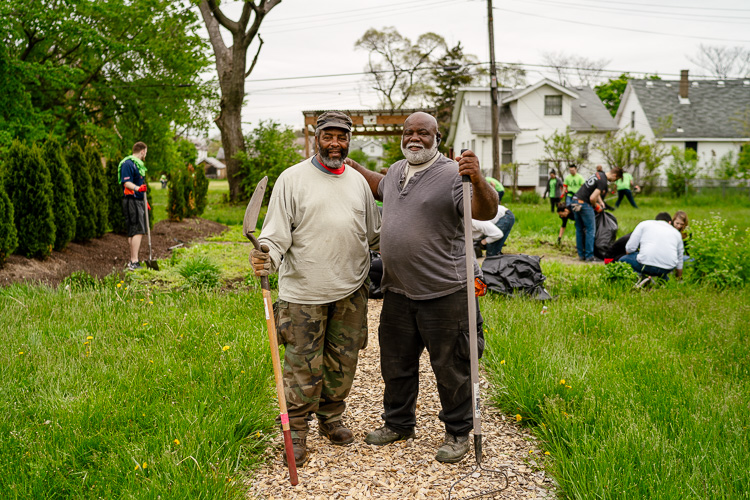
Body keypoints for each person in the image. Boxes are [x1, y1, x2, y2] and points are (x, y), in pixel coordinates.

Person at [346, 112, 498, 464]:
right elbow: (376, 183)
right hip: (397, 290)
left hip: (446, 292)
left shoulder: (453, 174)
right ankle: (398, 424)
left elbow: (485, 211)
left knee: (452, 365)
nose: (415, 138)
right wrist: (350, 163)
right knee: (395, 364)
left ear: (437, 137)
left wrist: (477, 178)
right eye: (409, 132)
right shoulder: (398, 170)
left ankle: (459, 431)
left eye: (423, 133)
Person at [249, 111, 381, 466]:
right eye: (328, 137)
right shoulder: (292, 180)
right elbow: (274, 236)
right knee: (301, 366)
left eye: (341, 137)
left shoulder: (357, 182)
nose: (335, 144)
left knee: (343, 362)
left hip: (351, 289)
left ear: (349, 139)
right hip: (304, 293)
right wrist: (266, 256)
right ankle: (298, 432)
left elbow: (374, 234)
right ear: (316, 137)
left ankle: (331, 418)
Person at [571, 167, 623, 262]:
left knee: (579, 229)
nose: (613, 181)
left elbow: (594, 190)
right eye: (616, 179)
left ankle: (581, 255)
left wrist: (601, 201)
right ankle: (590, 257)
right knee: (591, 230)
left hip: (575, 201)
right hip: (584, 204)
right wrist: (596, 206)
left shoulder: (599, 175)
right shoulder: (603, 181)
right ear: (615, 175)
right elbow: (592, 198)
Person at [619, 212, 684, 279]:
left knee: (623, 260)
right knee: (659, 266)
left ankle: (641, 278)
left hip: (646, 264)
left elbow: (630, 248)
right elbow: (680, 260)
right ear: (670, 222)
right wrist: (679, 278)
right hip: (667, 268)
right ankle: (663, 280)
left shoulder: (644, 224)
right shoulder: (676, 233)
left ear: (655, 220)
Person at [119, 142, 149, 271]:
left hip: (138, 201)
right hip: (132, 201)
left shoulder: (137, 165)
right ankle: (134, 261)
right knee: (137, 230)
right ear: (142, 151)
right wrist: (138, 188)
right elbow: (126, 183)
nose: (145, 155)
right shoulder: (128, 164)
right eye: (146, 152)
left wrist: (143, 200)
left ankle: (133, 261)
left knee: (135, 231)